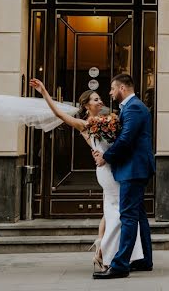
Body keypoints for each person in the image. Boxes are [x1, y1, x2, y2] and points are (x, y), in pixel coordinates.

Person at [28, 78, 142, 274]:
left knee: (109, 211)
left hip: (114, 166)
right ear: (86, 105)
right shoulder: (85, 125)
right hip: (107, 171)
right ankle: (107, 254)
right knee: (116, 211)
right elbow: (59, 113)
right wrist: (44, 91)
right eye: (96, 99)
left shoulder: (112, 119)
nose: (100, 101)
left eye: (100, 99)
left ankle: (100, 252)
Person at [91, 73, 155, 279]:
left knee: (127, 216)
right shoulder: (129, 108)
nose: (109, 93)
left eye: (112, 89)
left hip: (133, 169)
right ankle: (144, 260)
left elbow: (127, 139)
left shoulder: (134, 107)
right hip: (133, 168)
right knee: (137, 215)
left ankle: (120, 265)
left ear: (122, 88)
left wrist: (106, 157)